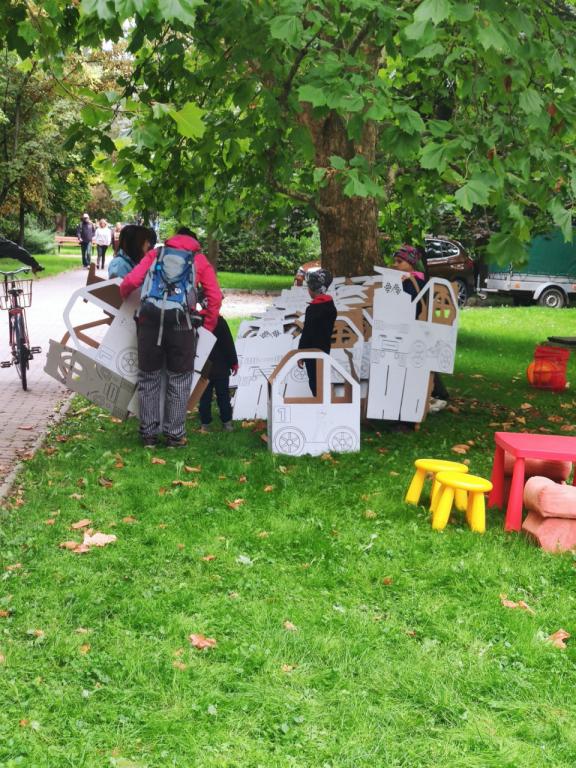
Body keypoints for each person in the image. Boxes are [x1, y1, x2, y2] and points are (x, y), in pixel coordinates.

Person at [120, 226, 222, 447]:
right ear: (194, 242)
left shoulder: (156, 254)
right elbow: (215, 297)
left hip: (149, 324)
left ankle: (148, 435)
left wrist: (123, 300)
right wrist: (208, 327)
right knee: (179, 380)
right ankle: (174, 436)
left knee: (148, 378)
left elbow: (130, 281)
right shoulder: (199, 260)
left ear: (172, 240)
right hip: (182, 327)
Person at [391, 244, 448, 412]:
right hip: (414, 328)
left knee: (420, 362)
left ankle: (436, 394)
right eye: (395, 261)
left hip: (415, 327)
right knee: (424, 362)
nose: (395, 265)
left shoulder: (414, 282)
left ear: (411, 263)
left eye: (399, 261)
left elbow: (409, 304)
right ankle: (438, 394)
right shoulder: (411, 280)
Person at [197, 291, 238, 433]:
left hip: (203, 366)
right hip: (221, 367)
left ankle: (205, 424)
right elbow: (228, 344)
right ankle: (227, 423)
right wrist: (233, 362)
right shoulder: (220, 322)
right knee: (223, 396)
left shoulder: (196, 321)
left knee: (204, 397)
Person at [297, 268, 337, 396]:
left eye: (308, 287)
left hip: (311, 352)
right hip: (324, 349)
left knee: (314, 383)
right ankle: (325, 401)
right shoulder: (331, 307)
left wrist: (300, 353)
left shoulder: (312, 309)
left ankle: (320, 403)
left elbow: (307, 333)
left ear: (313, 288)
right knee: (322, 379)